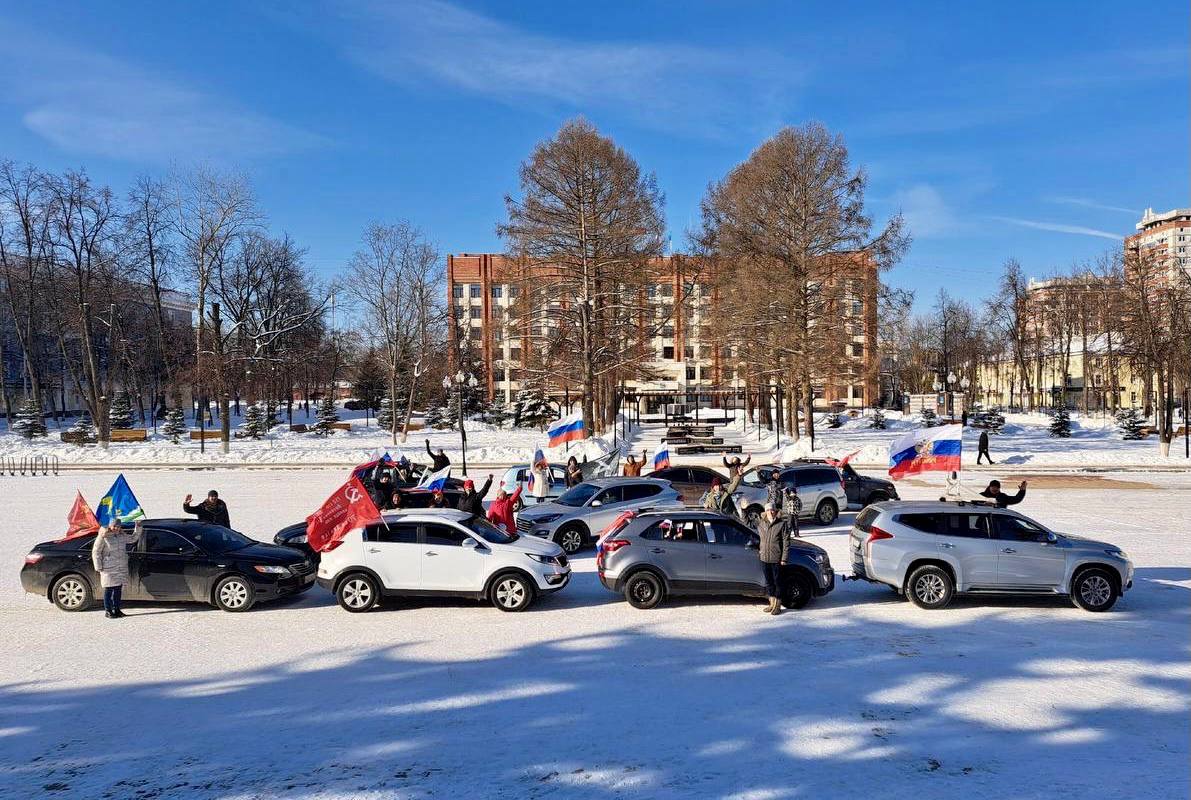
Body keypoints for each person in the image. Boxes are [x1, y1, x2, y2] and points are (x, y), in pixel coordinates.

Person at [91, 519, 143, 619]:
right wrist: (98, 566)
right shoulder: (103, 536)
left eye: (118, 526)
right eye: (114, 526)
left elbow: (133, 539)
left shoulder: (122, 536)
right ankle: (108, 611)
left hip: (121, 567)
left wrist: (138, 527)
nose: (116, 528)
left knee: (118, 589)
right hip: (108, 567)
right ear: (110, 526)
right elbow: (96, 552)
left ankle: (117, 609)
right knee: (109, 589)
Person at [756, 502, 790, 615]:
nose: (770, 512)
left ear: (775, 511)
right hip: (764, 557)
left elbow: (786, 542)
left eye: (772, 510)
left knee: (778, 582)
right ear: (765, 512)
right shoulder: (761, 523)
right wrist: (744, 509)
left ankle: (778, 605)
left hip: (776, 558)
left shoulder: (781, 524)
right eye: (768, 510)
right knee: (769, 582)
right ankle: (771, 603)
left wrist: (784, 558)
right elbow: (746, 523)